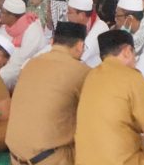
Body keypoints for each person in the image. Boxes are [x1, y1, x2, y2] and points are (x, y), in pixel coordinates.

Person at [75, 29, 144, 165]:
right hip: (120, 161)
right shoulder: (133, 77)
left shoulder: (91, 76)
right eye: (134, 54)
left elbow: (114, 117)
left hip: (85, 161)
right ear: (127, 51)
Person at [7, 22, 90, 165]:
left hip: (15, 155)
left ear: (52, 42)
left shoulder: (30, 64)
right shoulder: (81, 71)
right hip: (48, 158)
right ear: (80, 45)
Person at [0, 0, 46, 89]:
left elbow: (23, 58)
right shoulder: (7, 27)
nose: (0, 14)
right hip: (9, 63)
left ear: (12, 16)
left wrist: (3, 64)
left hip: (26, 67)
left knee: (0, 76)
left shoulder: (33, 29)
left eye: (3, 12)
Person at [66, 0, 108, 67]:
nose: (67, 14)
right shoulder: (76, 23)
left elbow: (79, 56)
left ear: (81, 15)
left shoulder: (100, 28)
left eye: (69, 12)